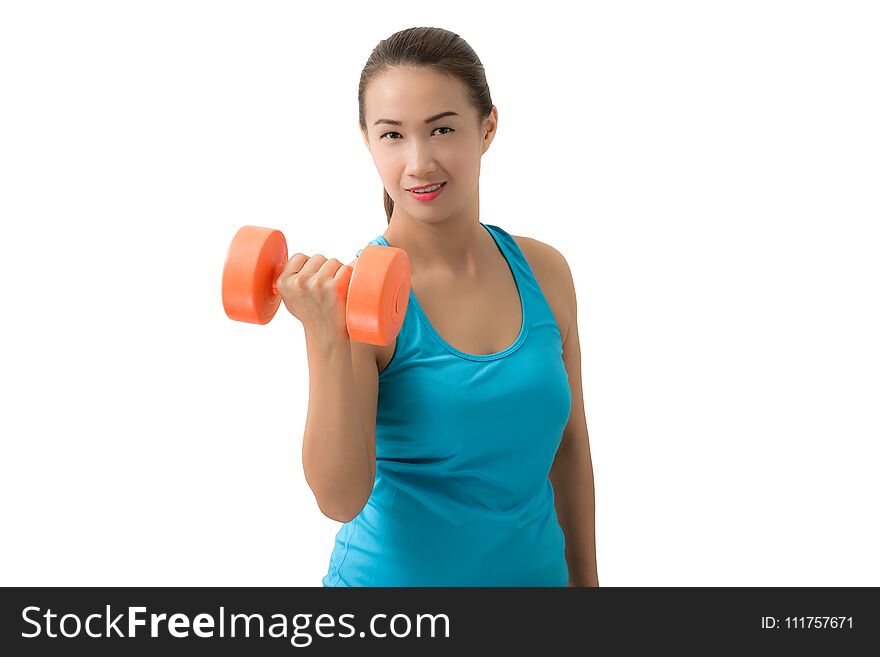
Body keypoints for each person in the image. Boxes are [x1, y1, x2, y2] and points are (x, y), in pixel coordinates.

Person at [277, 26, 598, 587]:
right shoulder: (362, 299)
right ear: (367, 141)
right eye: (393, 135)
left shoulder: (547, 272)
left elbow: (569, 448)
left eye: (442, 129)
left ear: (488, 128)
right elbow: (338, 497)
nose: (419, 162)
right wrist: (324, 333)